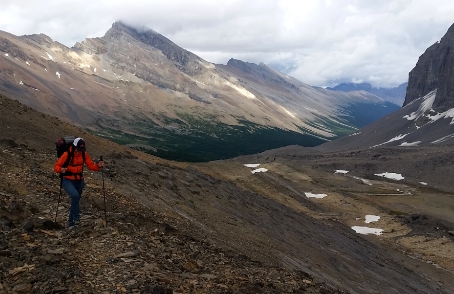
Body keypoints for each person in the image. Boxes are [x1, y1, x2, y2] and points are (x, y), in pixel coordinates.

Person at [54, 137, 104, 228]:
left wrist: (98, 166)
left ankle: (71, 223)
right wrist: (61, 170)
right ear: (74, 146)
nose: (80, 151)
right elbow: (56, 167)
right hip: (68, 180)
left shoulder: (84, 154)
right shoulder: (67, 154)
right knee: (75, 196)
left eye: (81, 149)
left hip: (79, 180)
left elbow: (91, 165)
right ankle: (76, 219)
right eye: (78, 149)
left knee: (75, 200)